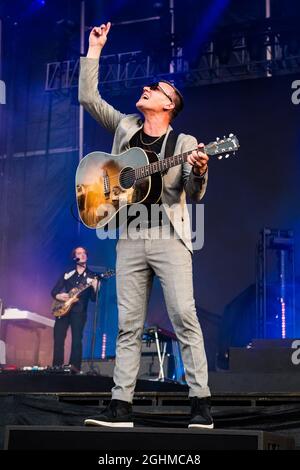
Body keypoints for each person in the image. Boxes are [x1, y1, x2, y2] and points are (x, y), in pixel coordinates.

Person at [79, 22, 213, 428]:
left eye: (156, 89)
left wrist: (200, 172)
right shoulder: (124, 129)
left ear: (169, 104)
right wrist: (95, 49)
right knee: (127, 325)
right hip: (129, 234)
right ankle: (121, 407)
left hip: (168, 236)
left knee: (184, 316)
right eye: (149, 87)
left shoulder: (185, 144)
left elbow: (195, 191)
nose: (147, 90)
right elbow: (88, 97)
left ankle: (200, 403)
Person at [51, 246, 98, 372]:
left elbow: (94, 299)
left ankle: (74, 368)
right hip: (63, 309)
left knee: (77, 340)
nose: (82, 255)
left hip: (79, 311)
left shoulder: (92, 276)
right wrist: (59, 295)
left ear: (87, 256)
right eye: (78, 253)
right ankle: (56, 367)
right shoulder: (68, 273)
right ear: (74, 257)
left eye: (84, 253)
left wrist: (95, 287)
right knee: (59, 338)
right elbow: (54, 291)